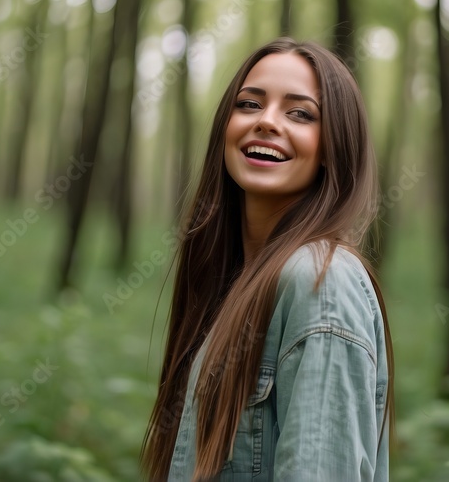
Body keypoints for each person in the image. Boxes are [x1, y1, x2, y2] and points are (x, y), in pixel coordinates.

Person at [141, 37, 394, 481]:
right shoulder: (240, 280)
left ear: (333, 146)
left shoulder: (321, 282)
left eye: (300, 113)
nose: (267, 121)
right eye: (249, 104)